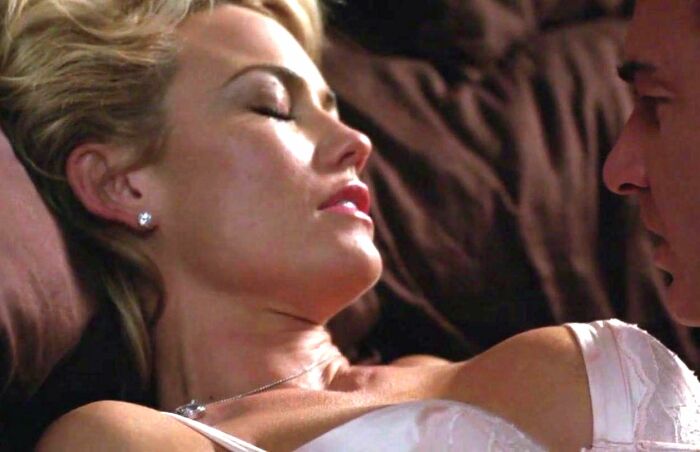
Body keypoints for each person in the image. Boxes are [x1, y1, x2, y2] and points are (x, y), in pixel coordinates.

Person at [0, 0, 697, 450]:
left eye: (333, 107)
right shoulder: (119, 440)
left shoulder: (556, 361)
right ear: (119, 184)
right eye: (274, 108)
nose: (355, 142)